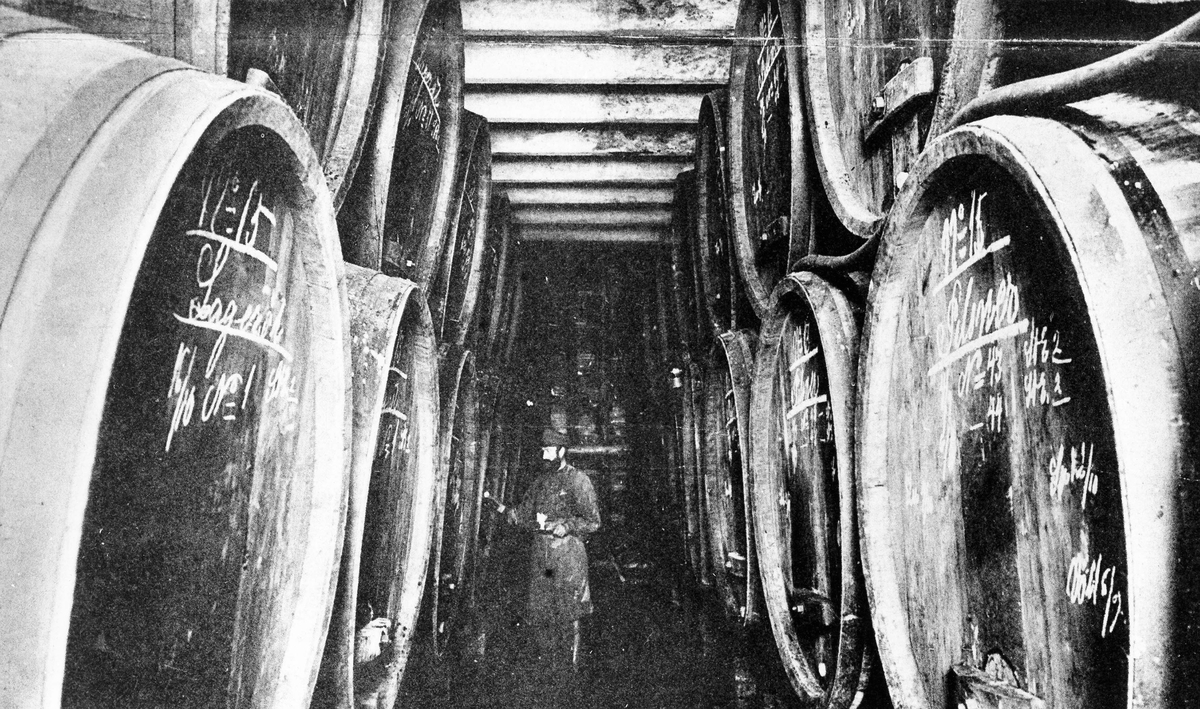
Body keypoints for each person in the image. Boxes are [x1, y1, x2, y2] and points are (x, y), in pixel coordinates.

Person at [498, 428, 601, 669]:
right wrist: (507, 512)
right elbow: (524, 514)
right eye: (543, 450)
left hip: (568, 556)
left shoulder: (578, 480)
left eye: (548, 450)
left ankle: (572, 667)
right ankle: (550, 669)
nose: (544, 456)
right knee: (542, 608)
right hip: (542, 556)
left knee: (570, 609)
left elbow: (593, 521)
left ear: (562, 451)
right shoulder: (540, 482)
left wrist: (567, 525)